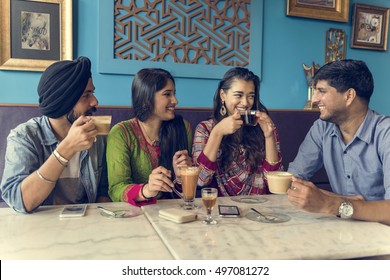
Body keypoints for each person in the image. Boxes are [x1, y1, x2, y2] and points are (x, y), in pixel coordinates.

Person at [0, 56, 110, 213]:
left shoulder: (96, 136)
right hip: (39, 228)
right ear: (63, 100)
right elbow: (19, 201)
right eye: (86, 95)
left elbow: (103, 191)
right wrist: (67, 148)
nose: (95, 101)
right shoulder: (24, 137)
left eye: (92, 93)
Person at [287, 59, 390, 226]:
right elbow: (294, 178)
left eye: (321, 91)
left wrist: (329, 203)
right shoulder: (322, 128)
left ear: (349, 96)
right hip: (342, 229)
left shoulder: (386, 134)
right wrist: (345, 200)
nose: (314, 99)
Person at [106, 68, 192, 206]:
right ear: (146, 99)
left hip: (177, 212)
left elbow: (189, 191)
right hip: (136, 215)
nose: (175, 100)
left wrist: (182, 176)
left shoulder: (182, 128)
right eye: (167, 94)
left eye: (174, 93)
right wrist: (146, 190)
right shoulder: (121, 133)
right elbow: (116, 188)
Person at [192, 67, 282, 196]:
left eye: (251, 96)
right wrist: (217, 132)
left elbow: (275, 182)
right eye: (238, 95)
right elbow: (200, 180)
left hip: (260, 207)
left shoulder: (263, 126)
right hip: (219, 208)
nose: (245, 103)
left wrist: (269, 136)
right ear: (223, 95)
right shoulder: (205, 129)